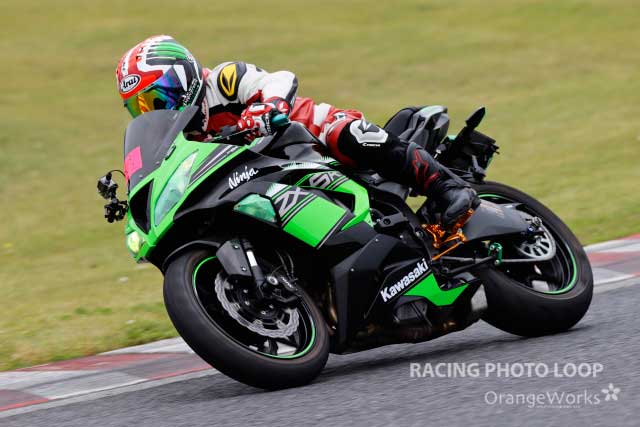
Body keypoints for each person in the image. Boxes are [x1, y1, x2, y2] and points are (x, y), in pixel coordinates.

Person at [116, 35, 478, 228]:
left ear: (183, 77)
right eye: (140, 107)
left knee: (353, 134)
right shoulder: (182, 136)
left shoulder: (222, 80)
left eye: (156, 98)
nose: (153, 111)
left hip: (311, 135)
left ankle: (447, 187)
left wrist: (270, 106)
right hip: (260, 174)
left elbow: (279, 79)